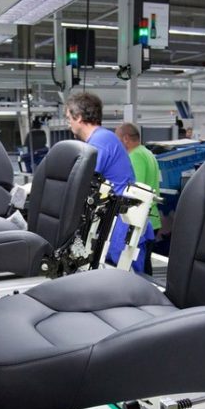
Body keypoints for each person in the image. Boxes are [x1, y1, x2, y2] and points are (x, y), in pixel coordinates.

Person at [65, 92, 154, 274]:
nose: (68, 123)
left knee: (130, 280)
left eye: (69, 118)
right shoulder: (101, 139)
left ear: (79, 117)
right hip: (117, 222)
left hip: (124, 225)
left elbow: (81, 184)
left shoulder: (100, 143)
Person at [116, 122, 162, 275]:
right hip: (152, 220)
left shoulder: (134, 156)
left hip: (142, 222)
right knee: (146, 265)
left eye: (118, 139)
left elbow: (136, 191)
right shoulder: (147, 153)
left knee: (138, 267)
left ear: (126, 139)